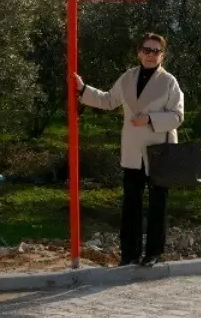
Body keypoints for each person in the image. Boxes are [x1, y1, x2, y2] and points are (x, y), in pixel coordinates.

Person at [74, 33, 184, 267]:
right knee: (131, 204)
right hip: (133, 151)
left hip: (159, 152)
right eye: (147, 50)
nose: (151, 55)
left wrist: (150, 119)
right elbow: (108, 100)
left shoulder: (169, 82)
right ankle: (129, 254)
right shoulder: (127, 78)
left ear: (162, 55)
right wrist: (83, 90)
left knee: (157, 205)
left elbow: (177, 116)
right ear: (139, 52)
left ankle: (154, 252)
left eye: (156, 51)